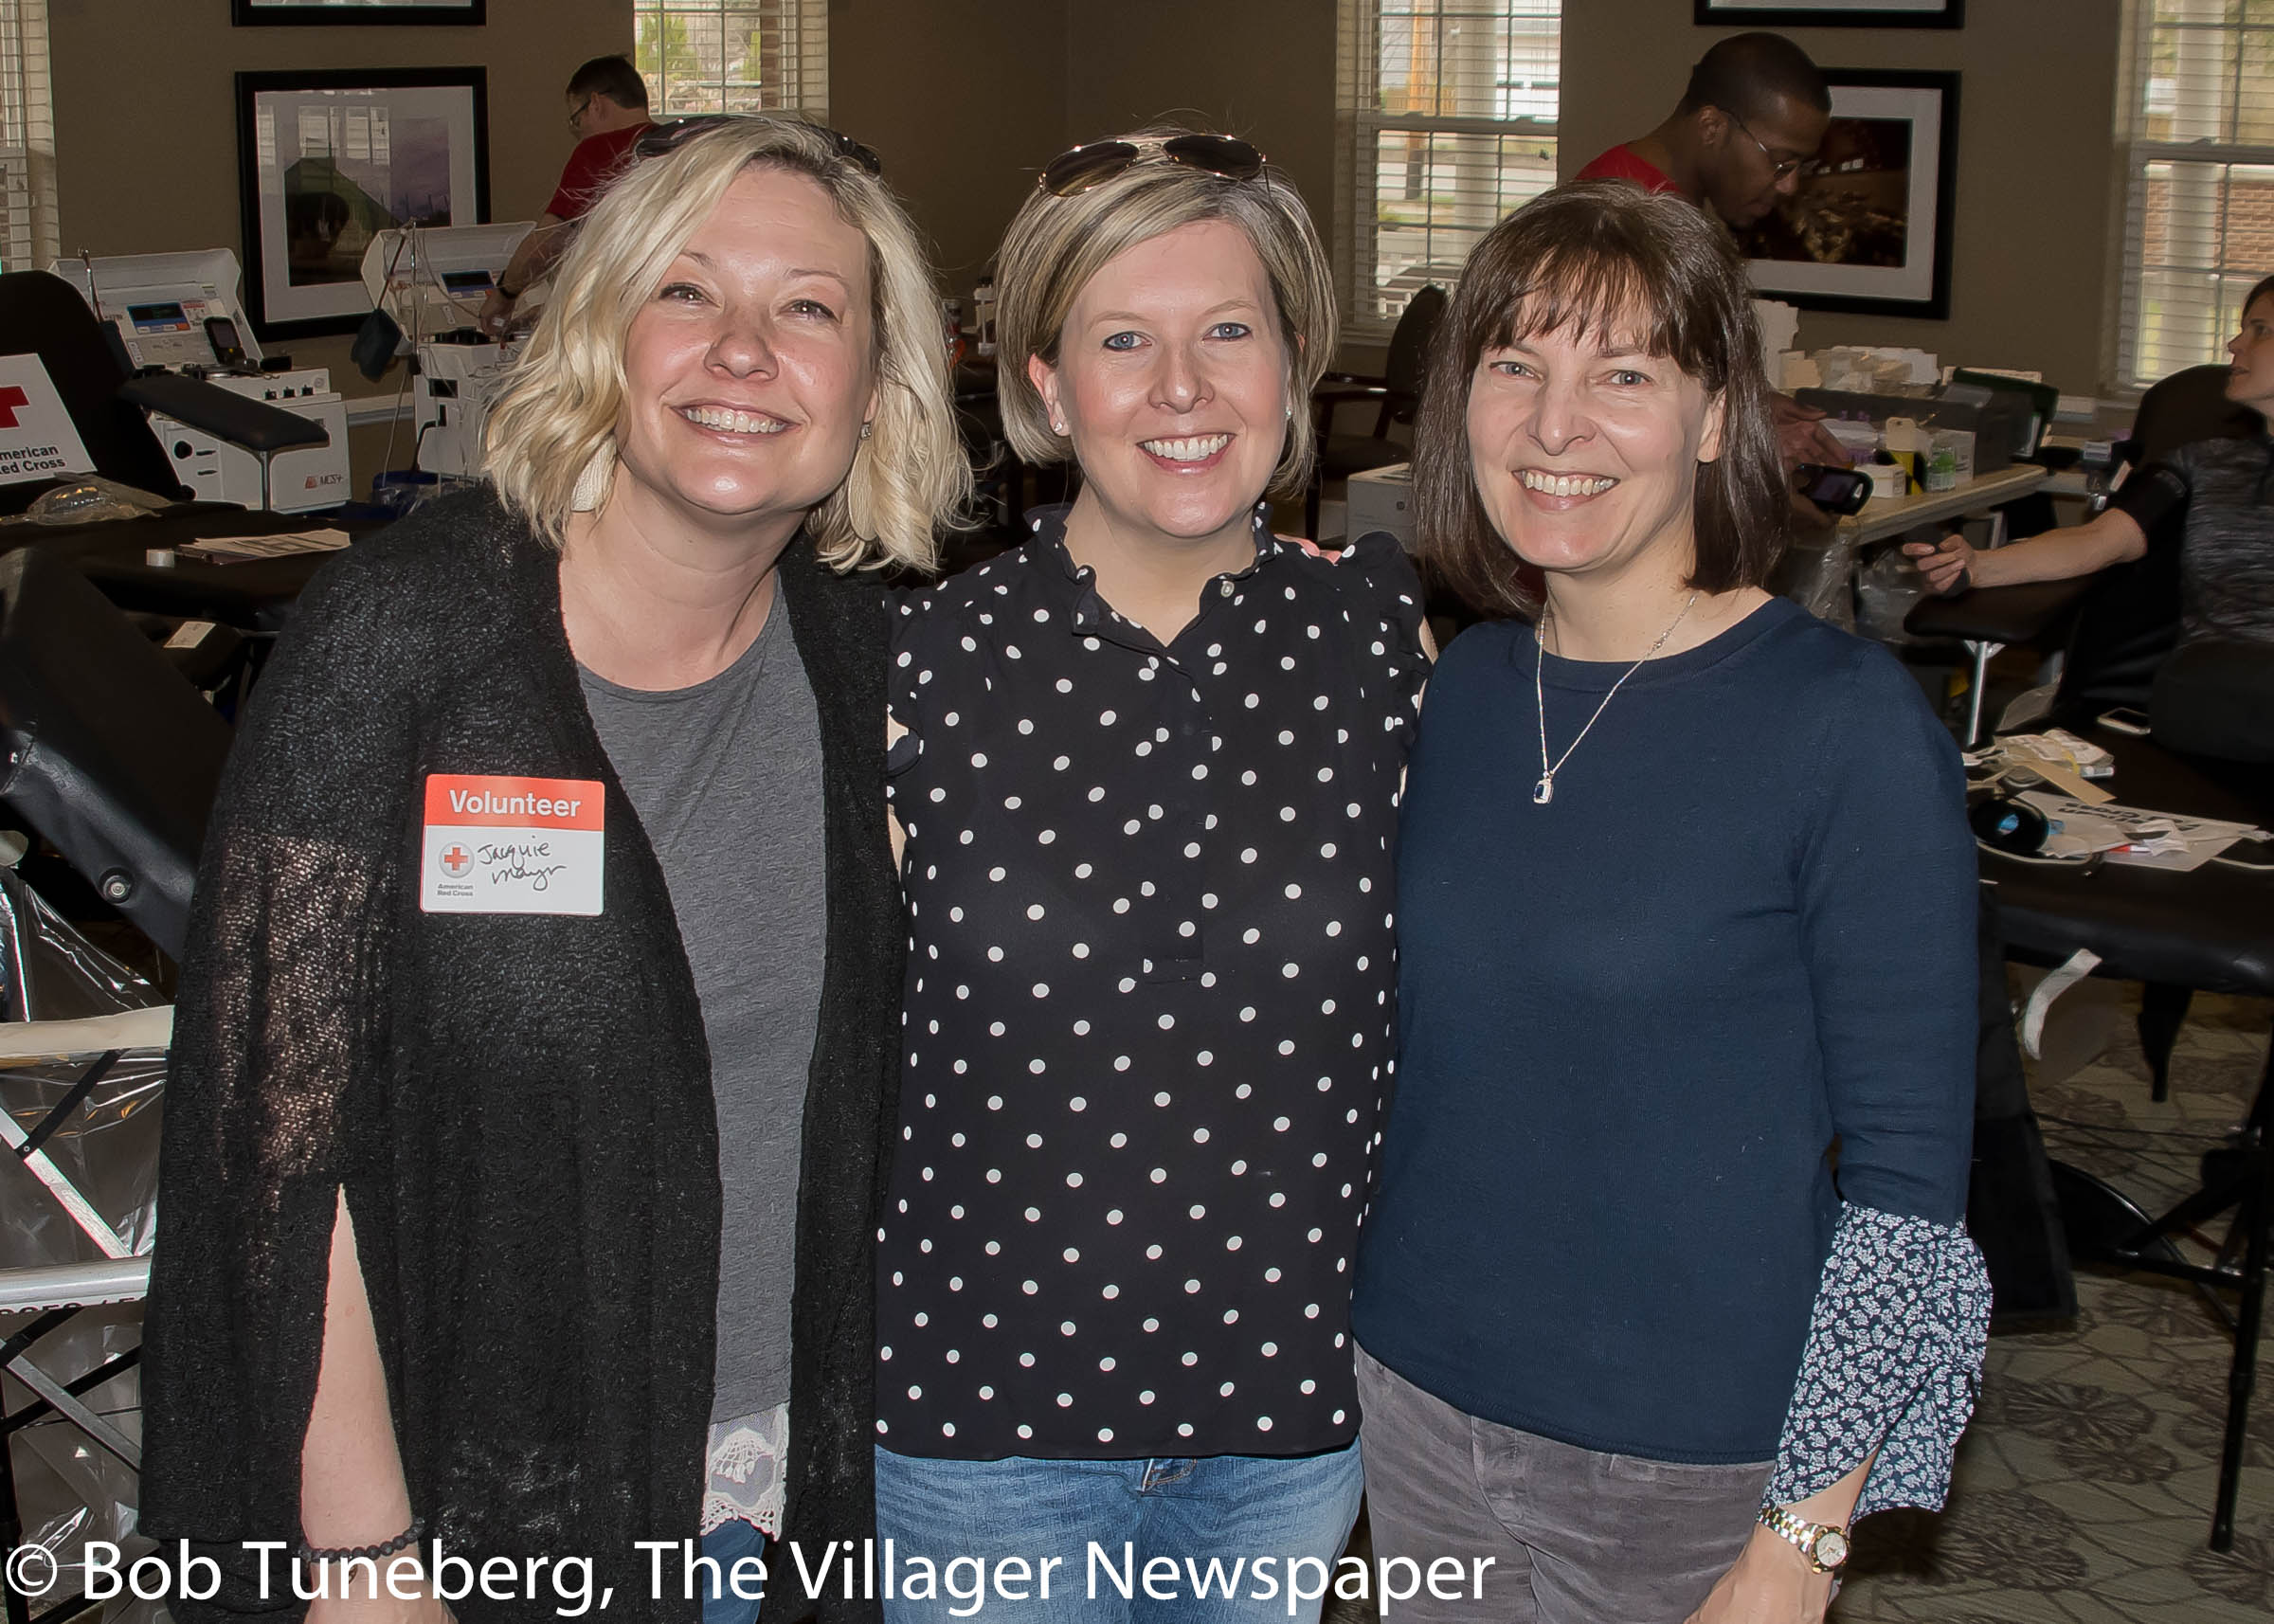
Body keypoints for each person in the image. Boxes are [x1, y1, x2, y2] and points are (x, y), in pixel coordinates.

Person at [139, 117, 969, 1624]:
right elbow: (277, 1131)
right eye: (687, 292)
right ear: (603, 331)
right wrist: (363, 1558)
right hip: (483, 1525)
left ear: (876, 388)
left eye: (807, 308)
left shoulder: (869, 665)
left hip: (803, 1507)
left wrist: (1266, 584)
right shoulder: (401, 647)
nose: (741, 352)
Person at [1348, 180, 1989, 1624]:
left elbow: (1907, 1200)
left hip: (1687, 1463)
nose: (1556, 426)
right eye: (1515, 367)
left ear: (1714, 417)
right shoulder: (1459, 690)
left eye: (1623, 375)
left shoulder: (1845, 729)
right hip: (1412, 1399)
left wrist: (1800, 1545)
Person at [871, 129, 1430, 1623]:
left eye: (1227, 332)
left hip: (1292, 1420)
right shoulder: (921, 667)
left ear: (1295, 360)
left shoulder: (1388, 653)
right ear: (1047, 383)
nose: (1182, 390)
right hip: (978, 1420)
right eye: (1125, 339)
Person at [1909, 272, 2274, 650]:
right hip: (2214, 687)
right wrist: (1977, 566)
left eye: (2260, 330)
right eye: (2242, 329)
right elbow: (2097, 540)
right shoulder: (2201, 463)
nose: (2235, 343)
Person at [1576, 33, 1847, 488]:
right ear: (1712, 127)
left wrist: (1745, 401)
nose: (1790, 187)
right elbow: (1608, 405)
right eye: (1781, 163)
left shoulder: (1665, 206)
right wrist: (1754, 474)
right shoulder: (1622, 219)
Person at [478, 54, 656, 335]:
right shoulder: (677, 147)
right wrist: (554, 310)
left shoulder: (600, 151)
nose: (579, 131)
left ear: (595, 104)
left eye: (577, 119)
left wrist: (504, 296)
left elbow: (548, 242)